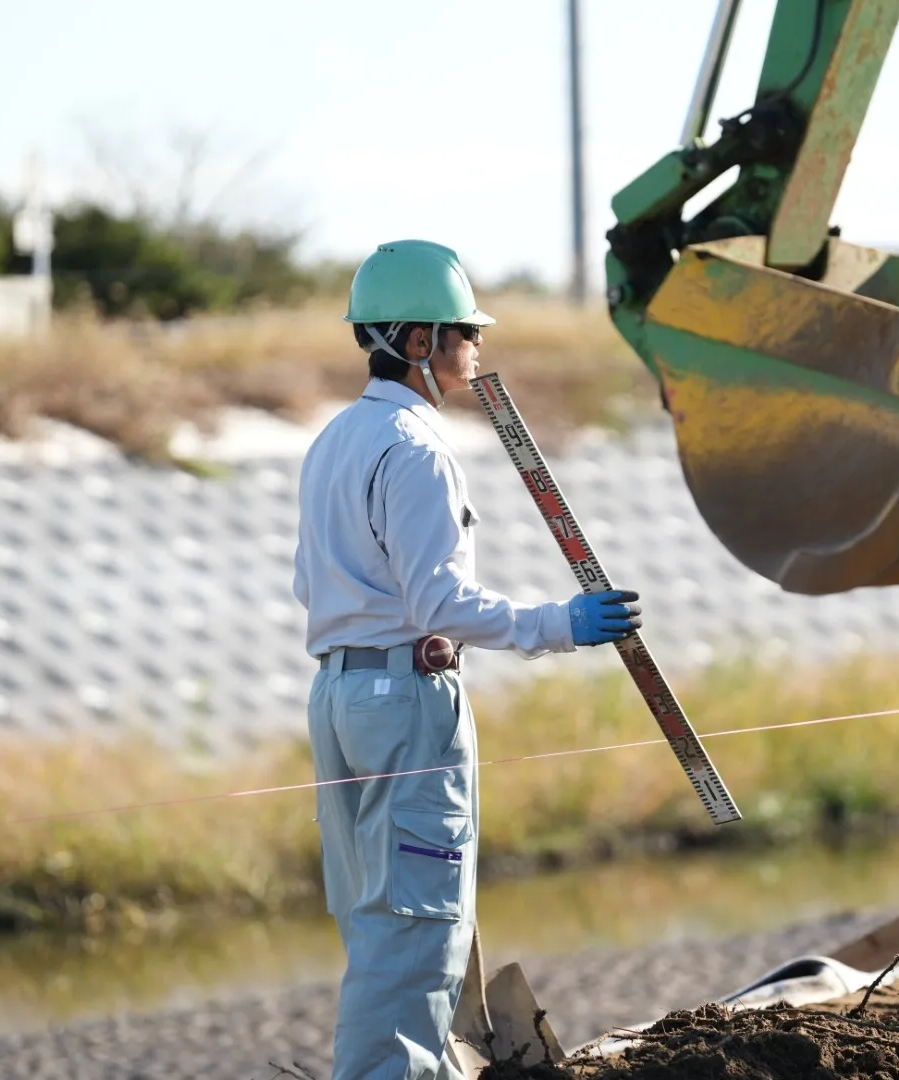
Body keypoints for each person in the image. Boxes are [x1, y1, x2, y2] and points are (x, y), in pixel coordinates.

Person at [292, 238, 642, 1080]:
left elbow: (322, 584)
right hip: (406, 707)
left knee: (379, 923)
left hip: (342, 696)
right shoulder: (415, 447)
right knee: (420, 929)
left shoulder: (337, 437)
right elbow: (442, 601)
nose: (476, 345)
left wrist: (412, 631)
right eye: (462, 331)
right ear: (418, 341)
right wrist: (559, 624)